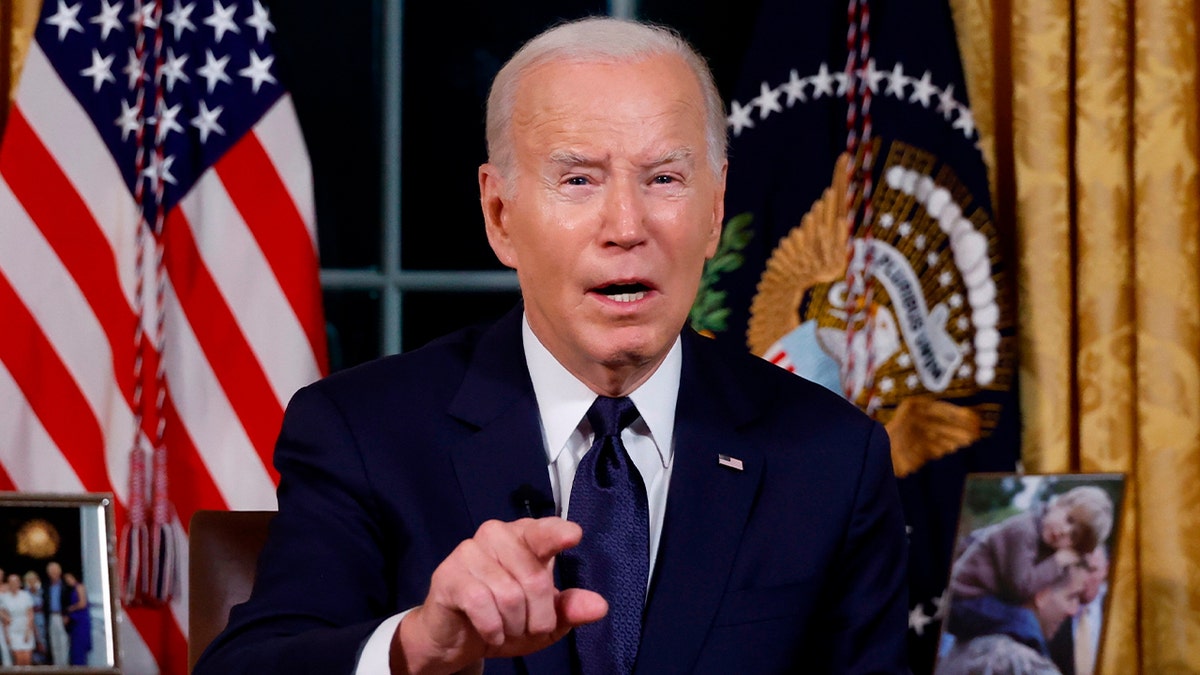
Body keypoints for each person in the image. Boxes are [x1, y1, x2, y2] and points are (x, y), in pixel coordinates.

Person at [195, 16, 909, 675]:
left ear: (715, 208)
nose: (626, 224)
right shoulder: (362, 431)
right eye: (578, 179)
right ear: (500, 214)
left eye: (664, 178)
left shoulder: (832, 457)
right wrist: (417, 643)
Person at [946, 486, 1113, 640]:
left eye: (1073, 536)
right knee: (1024, 622)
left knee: (1025, 621)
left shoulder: (1046, 541)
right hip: (962, 598)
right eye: (1069, 519)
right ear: (1058, 504)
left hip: (982, 599)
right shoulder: (1024, 530)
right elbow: (1020, 588)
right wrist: (1059, 560)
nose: (1064, 531)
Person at [936, 563, 1089, 675]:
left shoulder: (963, 645)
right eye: (1071, 597)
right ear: (1042, 595)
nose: (1073, 610)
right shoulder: (1023, 665)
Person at [1048, 546, 1109, 675]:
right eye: (1081, 568)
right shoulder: (1052, 608)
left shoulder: (1118, 612)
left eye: (1092, 570)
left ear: (1106, 570)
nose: (1085, 578)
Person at [0, 573, 37, 665]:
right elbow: (4, 618)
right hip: (13, 629)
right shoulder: (5, 598)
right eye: (11, 582)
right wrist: (6, 635)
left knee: (27, 658)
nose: (13, 584)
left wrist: (28, 630)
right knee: (19, 658)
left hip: (25, 627)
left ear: (19, 583)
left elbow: (30, 614)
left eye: (15, 582)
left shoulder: (25, 596)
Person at [62, 572, 91, 666]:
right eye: (66, 580)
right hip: (75, 621)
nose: (68, 581)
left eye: (69, 578)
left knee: (80, 648)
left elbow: (82, 603)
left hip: (81, 620)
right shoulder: (72, 589)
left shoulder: (80, 587)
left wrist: (71, 608)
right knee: (74, 648)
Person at [41, 561, 68, 665]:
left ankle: (65, 666)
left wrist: (67, 615)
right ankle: (57, 666)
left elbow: (69, 601)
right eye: (51, 572)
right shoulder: (46, 586)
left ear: (59, 572)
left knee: (64, 642)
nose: (53, 574)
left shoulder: (65, 585)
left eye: (55, 571)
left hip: (62, 616)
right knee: (54, 642)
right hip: (51, 616)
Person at [22, 571, 46, 665]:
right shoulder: (24, 593)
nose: (31, 582)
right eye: (29, 580)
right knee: (32, 641)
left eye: (33, 580)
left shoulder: (41, 591)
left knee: (42, 640)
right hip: (28, 619)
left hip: (41, 618)